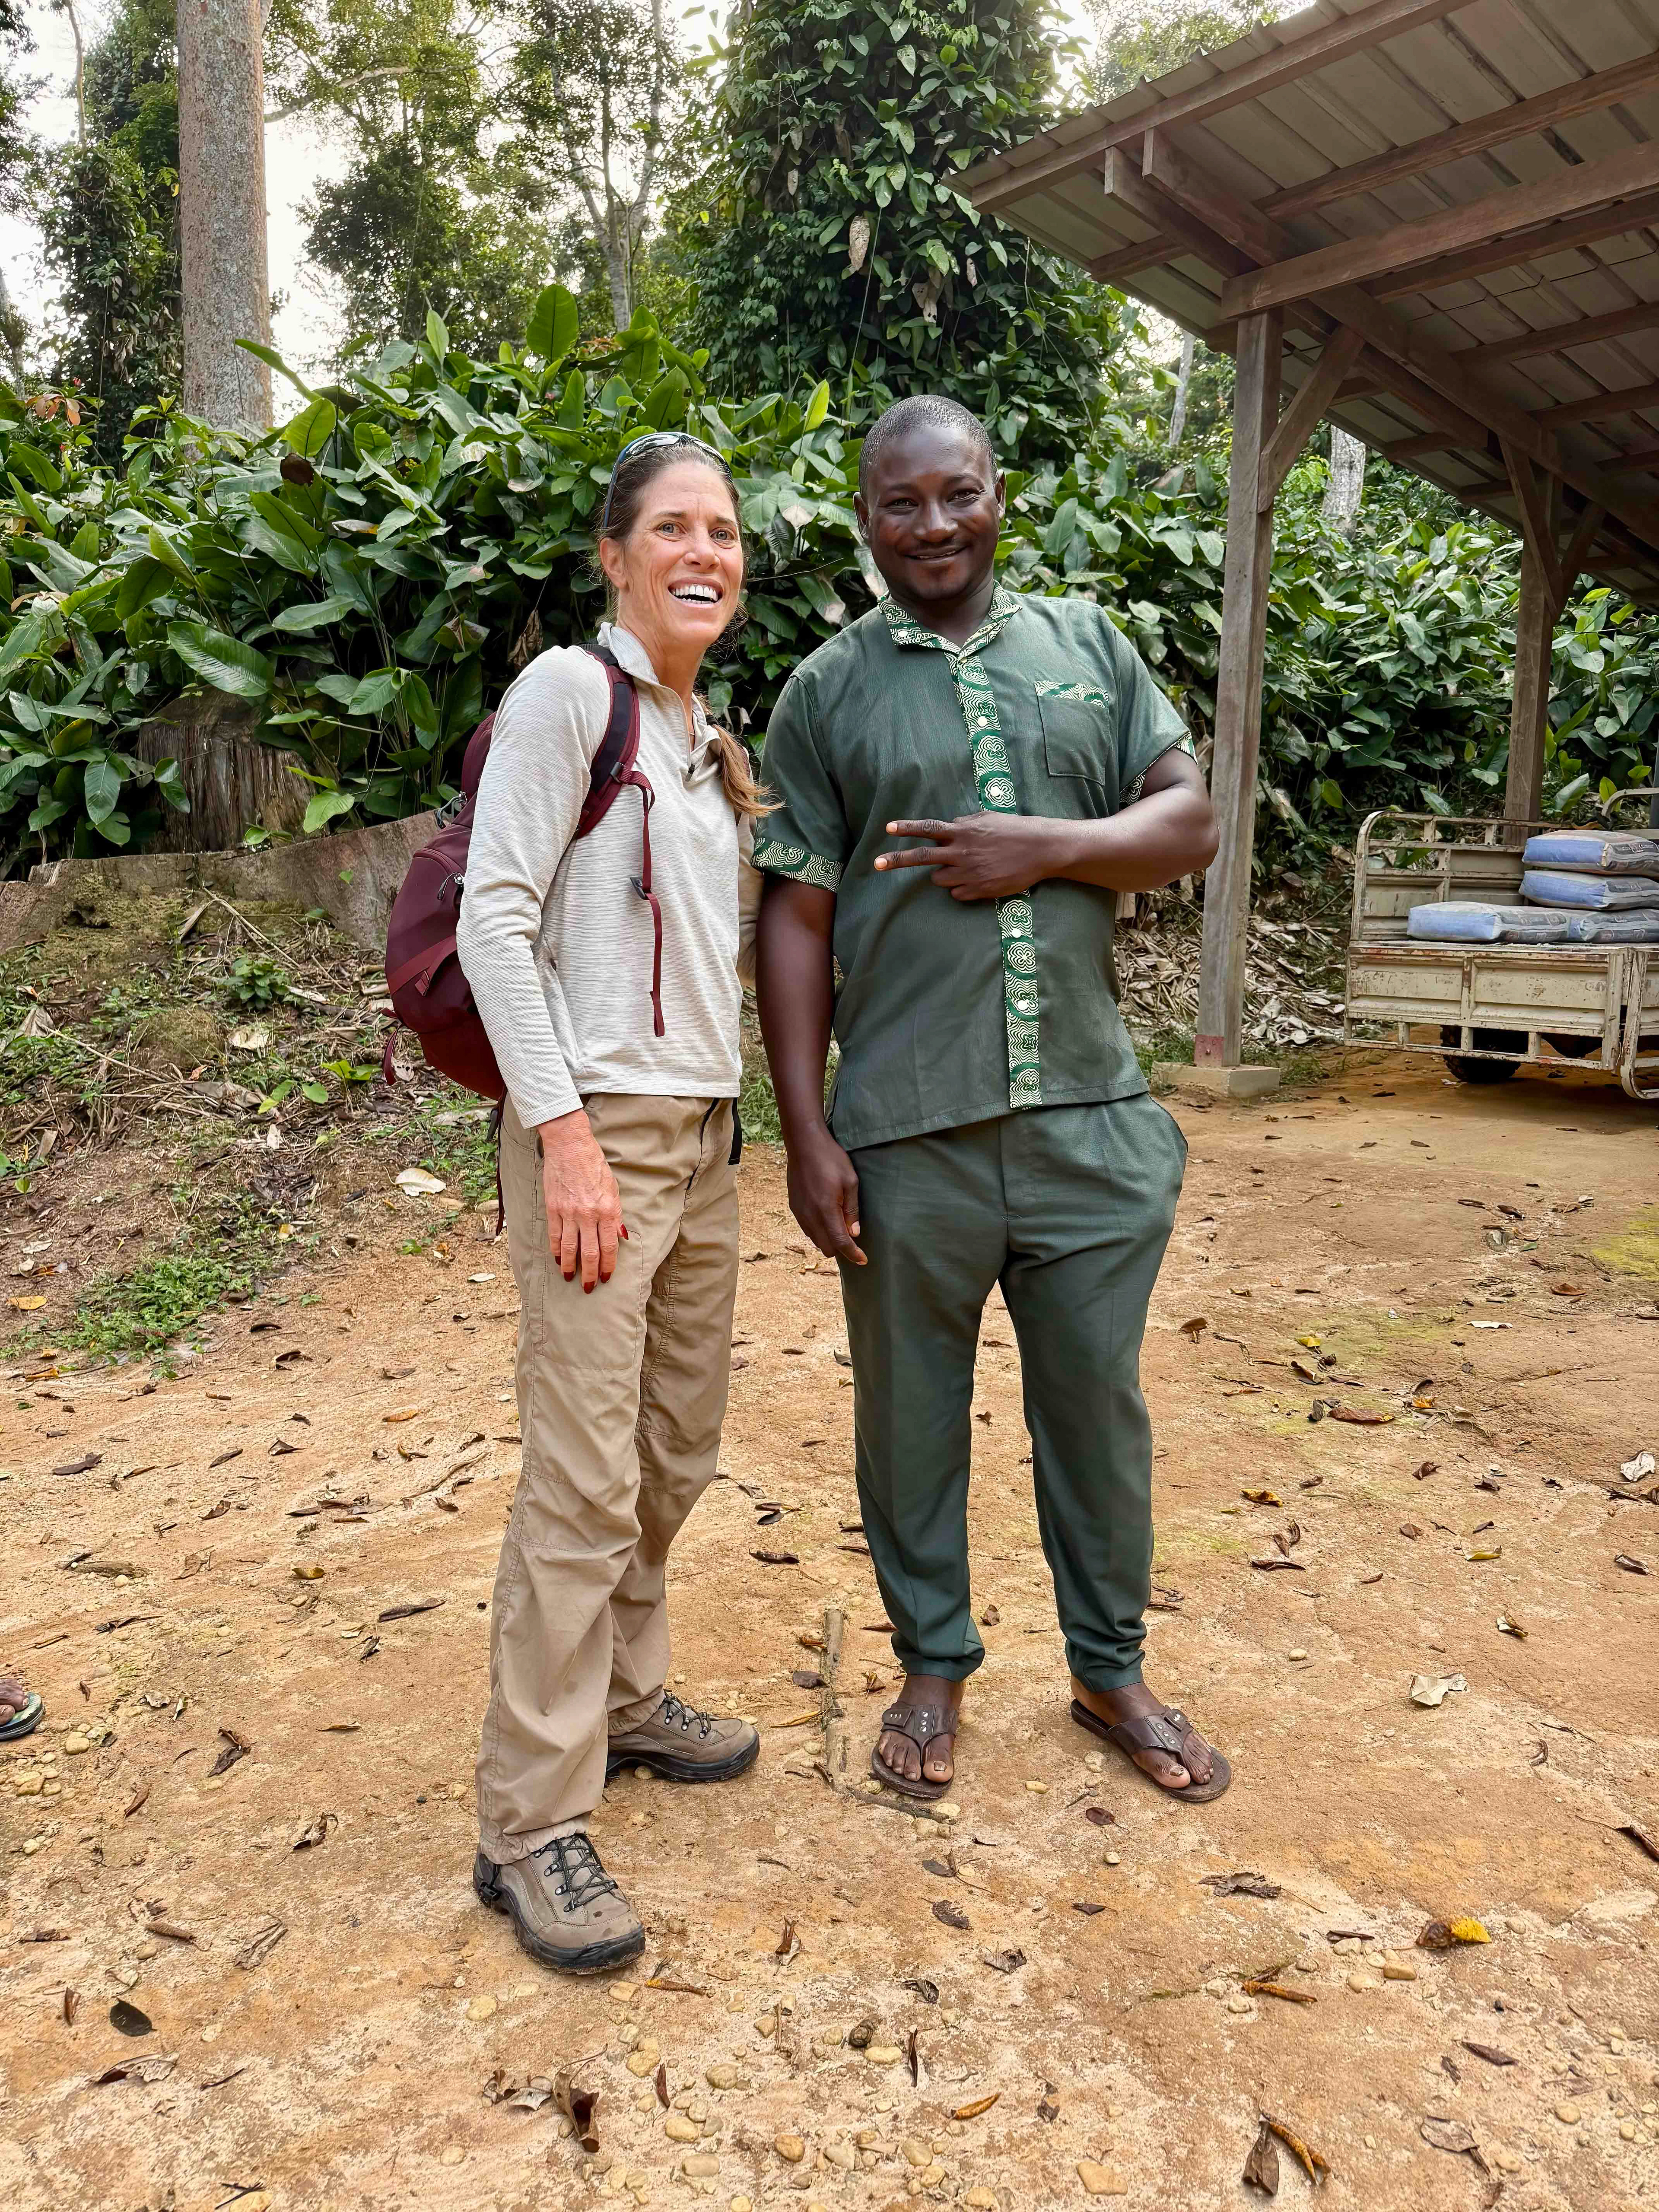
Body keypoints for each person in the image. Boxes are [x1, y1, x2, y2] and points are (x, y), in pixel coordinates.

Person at [754, 394, 1231, 1806]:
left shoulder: (1090, 649)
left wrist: (1051, 848)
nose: (934, 526)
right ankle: (931, 1666)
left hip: (1090, 1116)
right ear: (867, 520)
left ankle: (1110, 1671)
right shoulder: (828, 691)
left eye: (955, 494)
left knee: (1097, 1411)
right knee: (910, 1416)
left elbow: (1189, 820)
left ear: (996, 492)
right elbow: (792, 914)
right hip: (908, 1130)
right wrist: (805, 1125)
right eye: (901, 504)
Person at [457, 429, 767, 1975]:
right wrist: (563, 1132)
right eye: (672, 528)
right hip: (599, 1138)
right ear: (614, 555)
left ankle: (628, 1701)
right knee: (581, 1477)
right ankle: (530, 1821)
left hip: (704, 1142)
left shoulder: (707, 739)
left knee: (673, 1448)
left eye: (723, 529)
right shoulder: (568, 698)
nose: (703, 550)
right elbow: (495, 923)